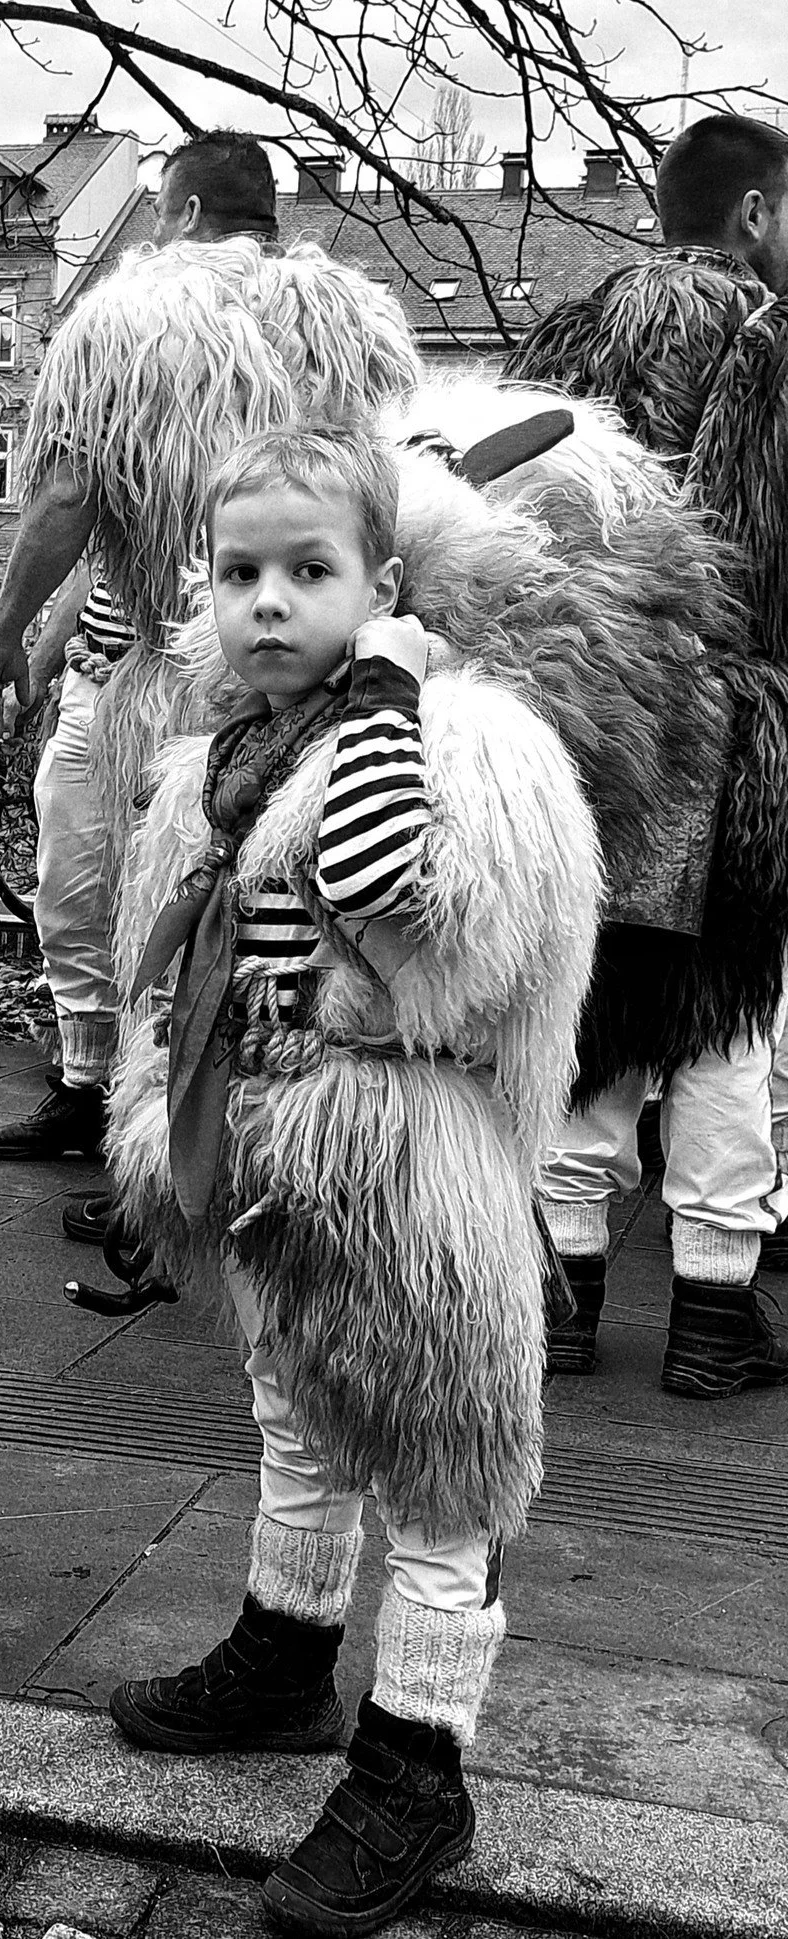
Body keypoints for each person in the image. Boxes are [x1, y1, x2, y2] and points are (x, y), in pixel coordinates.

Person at [107, 426, 600, 1936]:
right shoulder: (220, 759)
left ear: (384, 585)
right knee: (295, 1416)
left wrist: (385, 684)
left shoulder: (455, 739)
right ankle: (285, 1651)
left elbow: (401, 889)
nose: (267, 601)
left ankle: (417, 1766)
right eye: (239, 571)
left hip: (403, 1154)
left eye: (308, 572)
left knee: (440, 1463)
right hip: (274, 1146)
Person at [0, 130, 420, 1190]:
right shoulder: (352, 324)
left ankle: (124, 1124)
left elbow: (75, 501)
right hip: (302, 666)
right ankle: (191, 1127)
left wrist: (3, 639)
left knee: (113, 884)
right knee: (260, 905)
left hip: (153, 676)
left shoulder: (127, 319)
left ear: (175, 212)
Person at [507, 114, 788, 1391]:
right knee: (726, 1011)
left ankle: (562, 1296)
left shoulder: (566, 333)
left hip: (586, 712)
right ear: (755, 215)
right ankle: (714, 1318)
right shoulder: (772, 343)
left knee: (588, 995)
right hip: (731, 725)